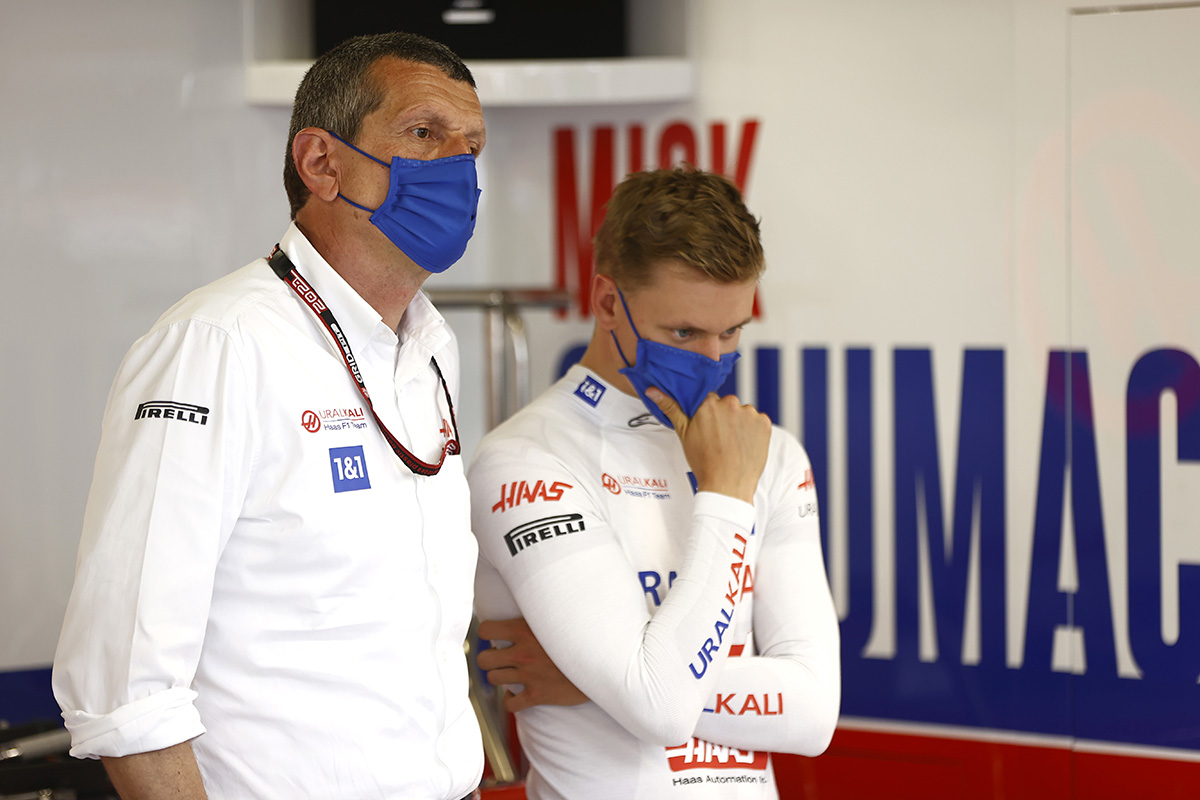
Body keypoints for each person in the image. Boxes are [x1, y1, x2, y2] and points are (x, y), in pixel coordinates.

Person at [52, 32, 486, 800]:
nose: (458, 167)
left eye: (471, 145)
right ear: (321, 162)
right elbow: (125, 693)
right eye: (424, 133)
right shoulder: (215, 344)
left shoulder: (427, 349)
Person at [468, 167, 841, 799]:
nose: (711, 359)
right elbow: (657, 706)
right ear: (608, 302)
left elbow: (811, 714)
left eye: (731, 332)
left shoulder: (772, 454)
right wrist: (726, 495)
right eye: (684, 333)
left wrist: (599, 684)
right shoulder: (523, 462)